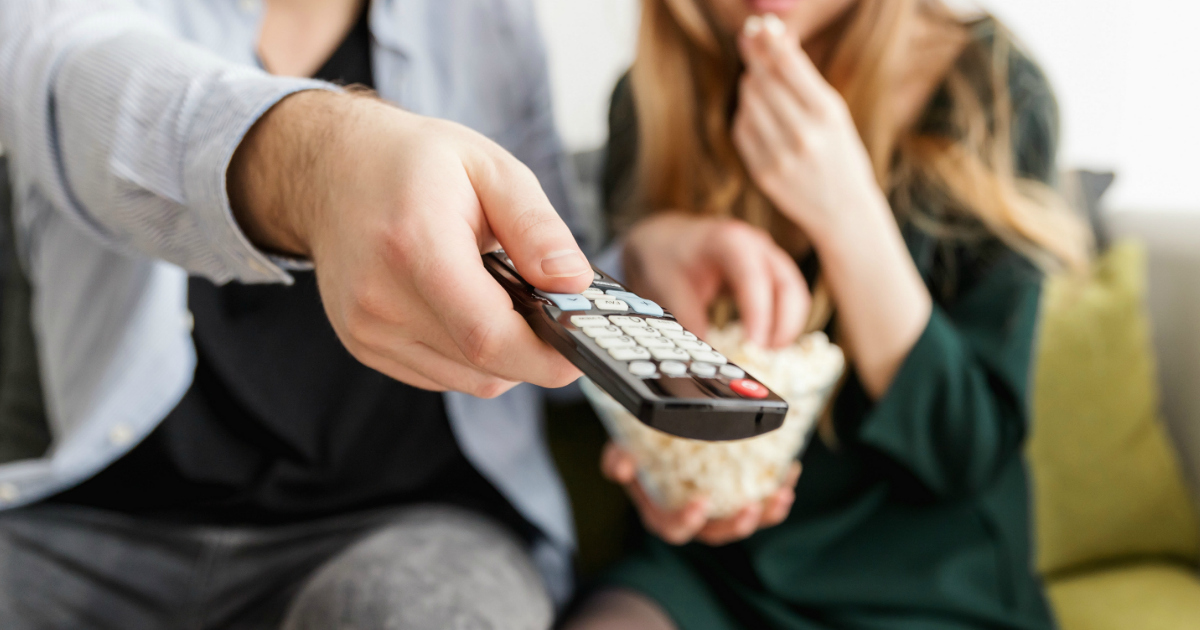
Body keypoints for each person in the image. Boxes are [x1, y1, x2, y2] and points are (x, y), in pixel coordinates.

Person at [0, 0, 594, 627]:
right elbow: (81, 78)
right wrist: (322, 167)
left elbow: (557, 258)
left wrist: (647, 246)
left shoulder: (487, 18)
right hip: (103, 531)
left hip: (416, 529)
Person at [567, 0, 1090, 628]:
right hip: (709, 573)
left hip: (924, 583)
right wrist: (664, 471)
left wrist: (848, 213)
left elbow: (966, 451)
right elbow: (650, 398)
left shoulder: (991, 89)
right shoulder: (648, 99)